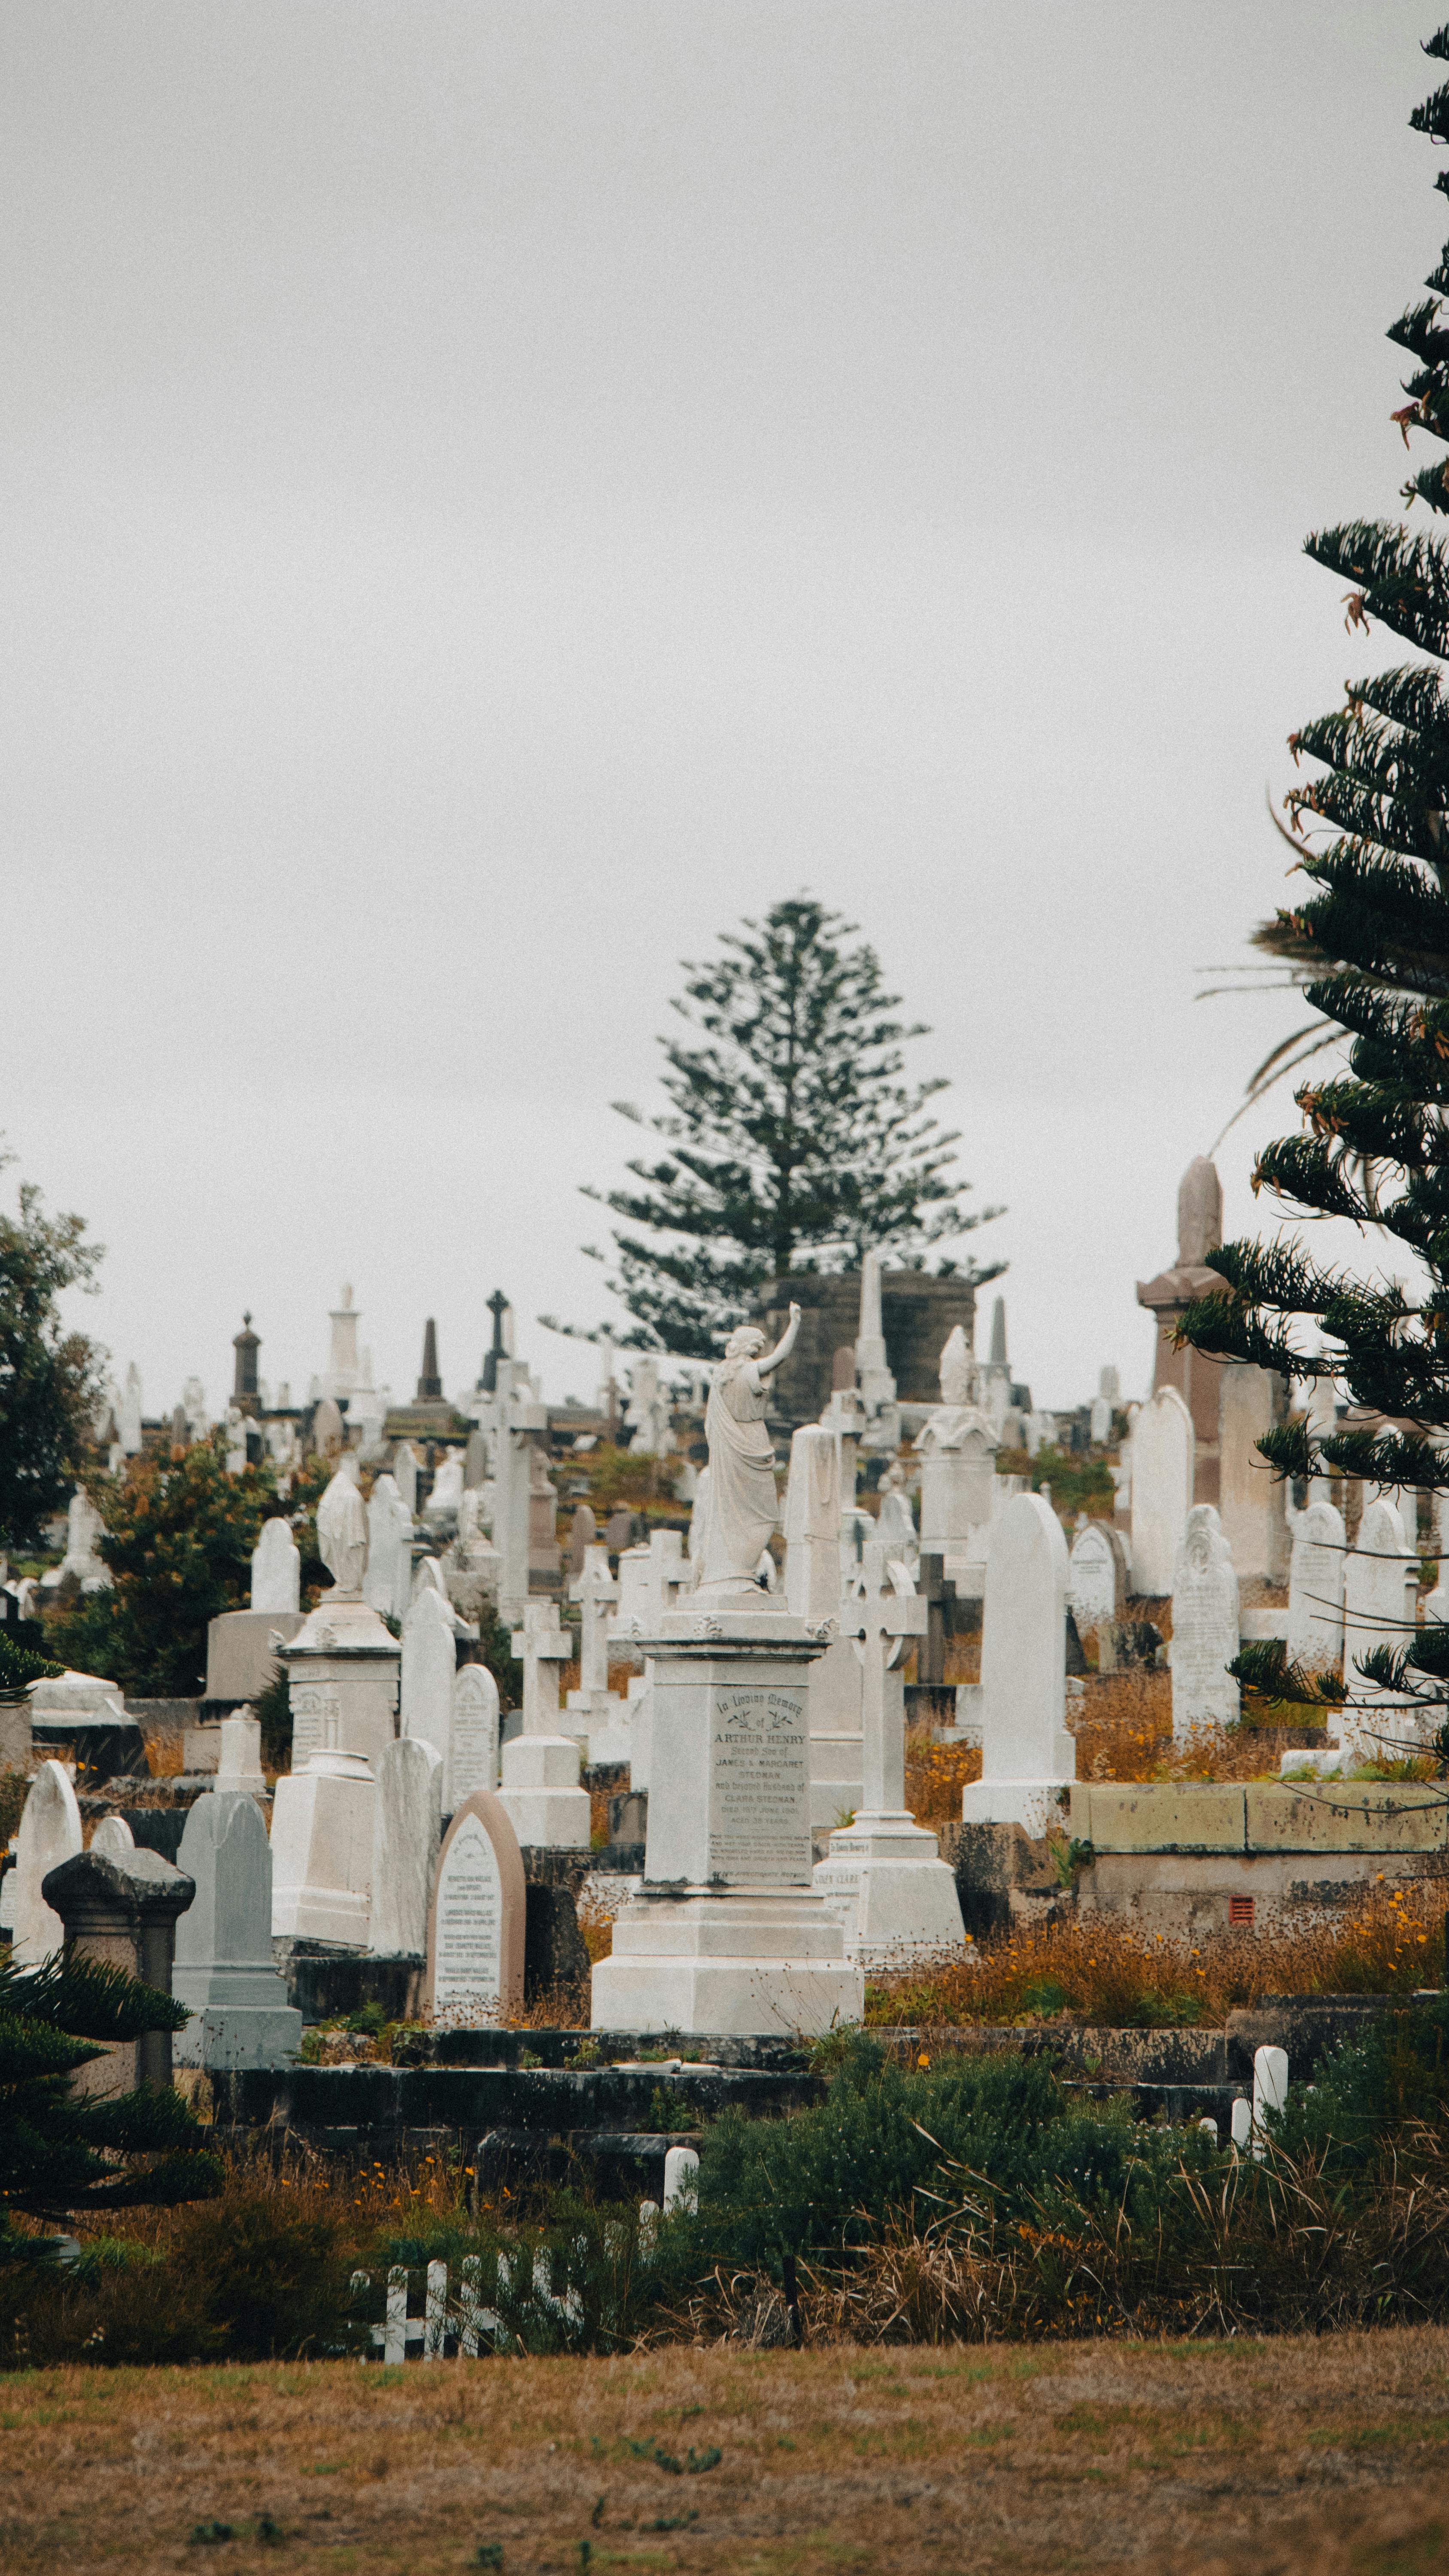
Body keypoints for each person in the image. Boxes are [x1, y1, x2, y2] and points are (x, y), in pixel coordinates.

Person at [695, 1304, 802, 1593]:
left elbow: (710, 1422)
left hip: (727, 1445)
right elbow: (780, 1357)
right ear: (750, 1347)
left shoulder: (721, 1374)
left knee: (730, 1512)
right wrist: (794, 1323)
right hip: (749, 1439)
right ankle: (737, 1574)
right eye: (758, 1344)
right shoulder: (750, 1371)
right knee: (762, 1513)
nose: (760, 1348)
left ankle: (729, 1572)